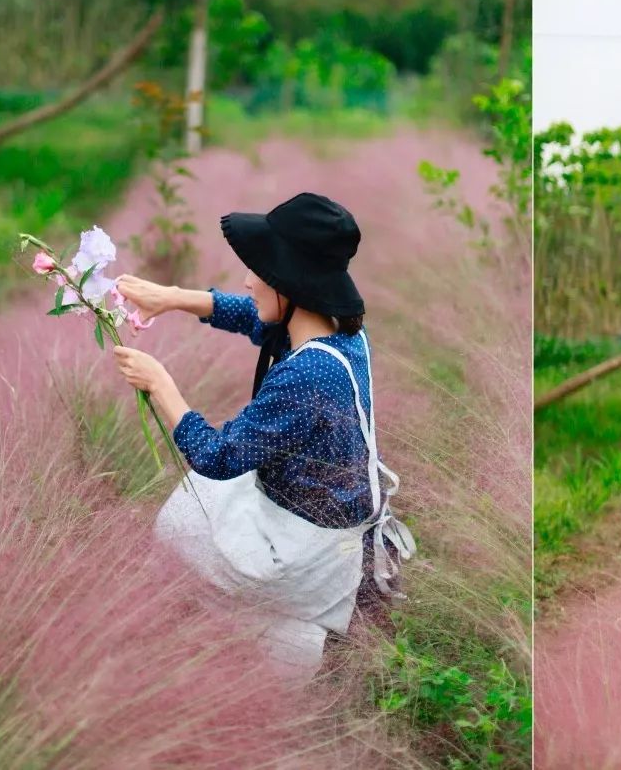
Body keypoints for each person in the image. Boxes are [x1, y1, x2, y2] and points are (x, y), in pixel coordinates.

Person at [111, 192, 414, 676]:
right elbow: (255, 316)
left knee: (183, 521)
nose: (249, 279)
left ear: (294, 286)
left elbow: (216, 455)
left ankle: (282, 641)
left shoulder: (306, 377)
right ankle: (278, 632)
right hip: (334, 525)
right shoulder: (343, 336)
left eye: (261, 271)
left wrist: (159, 382)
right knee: (202, 509)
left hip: (303, 552)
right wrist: (170, 298)